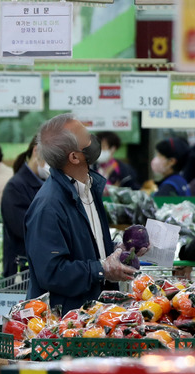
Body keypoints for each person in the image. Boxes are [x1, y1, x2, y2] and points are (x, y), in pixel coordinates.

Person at [24, 114, 137, 312]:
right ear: (74, 157)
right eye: (87, 137)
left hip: (95, 316)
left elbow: (86, 248)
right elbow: (52, 273)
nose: (94, 140)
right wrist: (102, 269)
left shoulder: (89, 189)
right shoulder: (48, 207)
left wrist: (119, 249)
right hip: (67, 324)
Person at [0, 136, 51, 278]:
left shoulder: (48, 185)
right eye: (51, 157)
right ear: (36, 150)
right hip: (21, 271)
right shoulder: (15, 187)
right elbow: (24, 229)